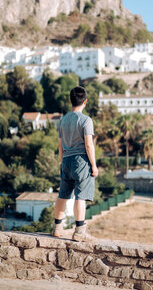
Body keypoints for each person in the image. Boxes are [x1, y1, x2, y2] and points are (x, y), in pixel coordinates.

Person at [53, 86, 98, 241]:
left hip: (66, 160)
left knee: (63, 195)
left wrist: (62, 161)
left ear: (70, 101)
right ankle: (79, 232)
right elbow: (88, 145)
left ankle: (57, 228)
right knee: (81, 196)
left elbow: (60, 145)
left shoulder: (63, 120)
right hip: (81, 161)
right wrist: (94, 165)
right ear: (85, 101)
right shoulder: (86, 120)